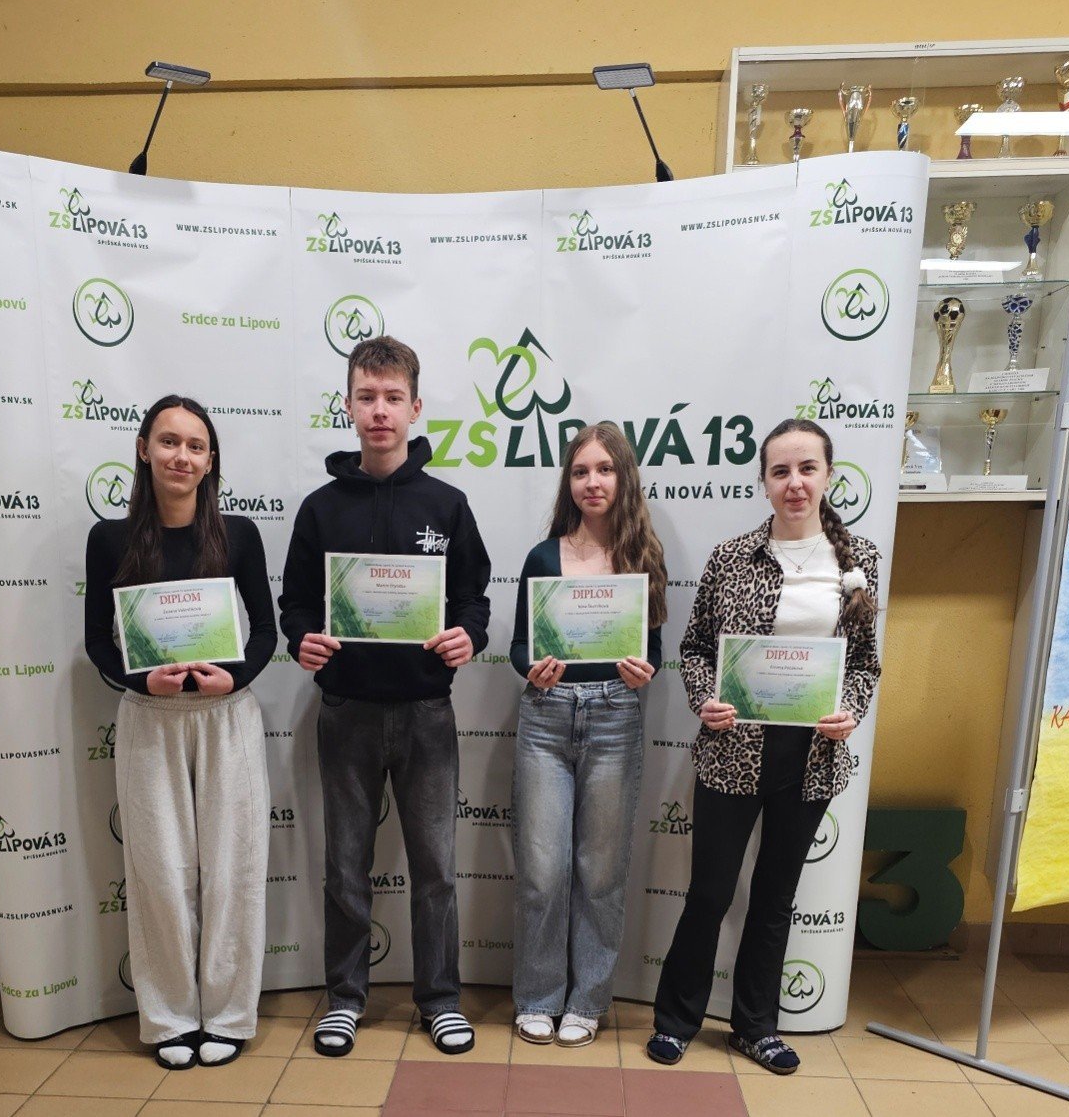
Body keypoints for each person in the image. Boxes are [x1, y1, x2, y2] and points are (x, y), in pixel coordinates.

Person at [646, 417, 881, 1074]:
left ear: (827, 476)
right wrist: (704, 699)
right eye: (780, 471)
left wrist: (849, 709)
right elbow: (696, 648)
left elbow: (864, 662)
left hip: (811, 759)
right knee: (709, 894)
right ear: (764, 481)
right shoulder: (731, 557)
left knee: (775, 900)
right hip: (732, 752)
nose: (794, 483)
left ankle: (755, 1027)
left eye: (807, 468)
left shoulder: (859, 560)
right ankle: (676, 1020)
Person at [280, 335, 492, 1058]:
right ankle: (345, 999)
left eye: (392, 398)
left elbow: (472, 596)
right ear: (347, 405)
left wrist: (468, 634)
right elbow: (295, 604)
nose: (379, 411)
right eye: (366, 397)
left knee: (435, 869)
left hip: (427, 712)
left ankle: (440, 1000)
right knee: (346, 867)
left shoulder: (448, 504)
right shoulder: (320, 510)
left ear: (415, 408)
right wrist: (301, 639)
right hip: (346, 711)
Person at [84, 395, 277, 1070]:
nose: (181, 457)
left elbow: (265, 630)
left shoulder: (239, 534)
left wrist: (235, 677)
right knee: (160, 875)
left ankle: (228, 1016)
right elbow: (98, 643)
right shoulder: (109, 539)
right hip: (151, 721)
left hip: (227, 718)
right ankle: (168, 1019)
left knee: (232, 871)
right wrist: (140, 682)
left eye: (195, 446)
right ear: (143, 449)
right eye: (168, 442)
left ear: (210, 460)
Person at [507, 422, 666, 1047]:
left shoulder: (642, 557)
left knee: (600, 874)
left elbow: (652, 650)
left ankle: (587, 1001)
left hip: (614, 716)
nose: (592, 482)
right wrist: (532, 669)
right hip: (547, 717)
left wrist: (643, 671)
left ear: (623, 477)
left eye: (604, 469)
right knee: (543, 872)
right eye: (580, 471)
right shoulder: (542, 558)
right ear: (567, 483)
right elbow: (520, 645)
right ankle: (539, 997)